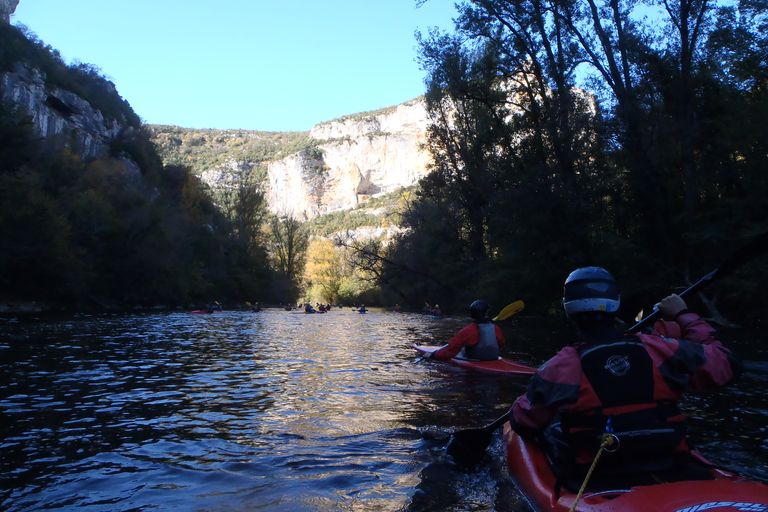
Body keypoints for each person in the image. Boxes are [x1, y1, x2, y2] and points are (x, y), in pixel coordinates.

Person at [507, 266, 740, 490]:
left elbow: (524, 422)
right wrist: (683, 315)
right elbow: (726, 363)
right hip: (672, 466)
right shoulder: (662, 349)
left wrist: (525, 400)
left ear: (569, 310)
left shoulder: (557, 368)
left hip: (600, 478)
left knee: (554, 432)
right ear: (615, 304)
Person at [426, 300, 505, 361]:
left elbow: (450, 350)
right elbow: (500, 345)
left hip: (474, 360)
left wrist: (434, 355)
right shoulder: (496, 329)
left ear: (472, 314)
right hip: (493, 359)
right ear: (487, 312)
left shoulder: (467, 331)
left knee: (462, 350)